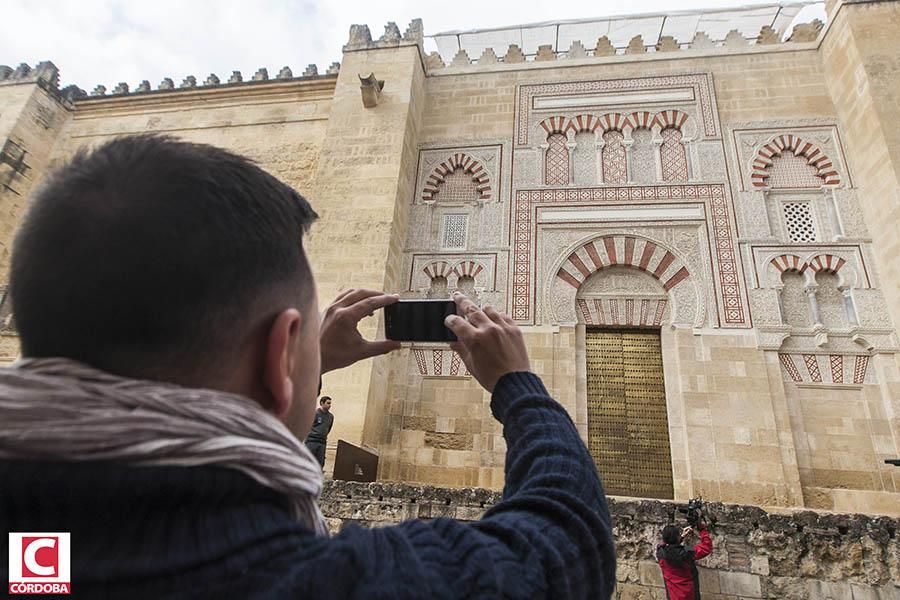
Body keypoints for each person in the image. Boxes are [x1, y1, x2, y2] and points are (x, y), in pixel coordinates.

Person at [0, 135, 615, 599]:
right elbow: (567, 542)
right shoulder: (314, 580)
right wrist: (518, 386)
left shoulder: (34, 557)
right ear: (278, 355)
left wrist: (301, 371)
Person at [656, 518, 713, 600]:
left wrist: (681, 537)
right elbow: (706, 547)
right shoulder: (687, 553)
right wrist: (702, 530)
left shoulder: (660, 552)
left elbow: (669, 546)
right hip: (689, 593)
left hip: (673, 594)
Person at [305, 395, 334, 468]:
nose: (329, 405)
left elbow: (328, 428)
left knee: (320, 462)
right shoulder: (315, 413)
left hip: (322, 442)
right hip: (312, 441)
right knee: (309, 461)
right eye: (328, 403)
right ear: (322, 403)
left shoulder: (330, 417)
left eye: (330, 403)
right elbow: (307, 426)